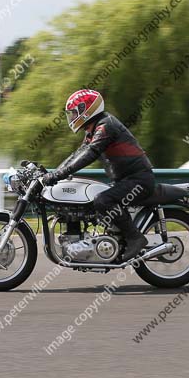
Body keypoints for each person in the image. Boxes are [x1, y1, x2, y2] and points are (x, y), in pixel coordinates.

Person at [41, 89, 155, 260]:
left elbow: (90, 154)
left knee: (103, 200)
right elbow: (76, 155)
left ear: (86, 110)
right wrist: (54, 173)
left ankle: (135, 238)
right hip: (126, 180)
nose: (71, 117)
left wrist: (57, 176)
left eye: (74, 113)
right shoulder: (93, 129)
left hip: (138, 179)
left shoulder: (105, 126)